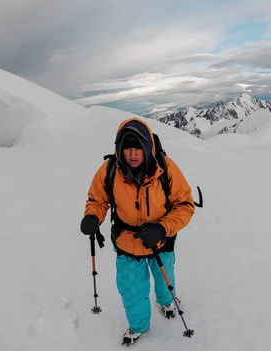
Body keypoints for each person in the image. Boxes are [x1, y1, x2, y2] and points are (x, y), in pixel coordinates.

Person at [80, 117, 195, 345]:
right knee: (131, 290)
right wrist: (92, 216)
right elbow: (98, 199)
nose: (133, 154)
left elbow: (185, 205)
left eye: (138, 148)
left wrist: (162, 228)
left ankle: (166, 302)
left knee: (165, 281)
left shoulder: (165, 167)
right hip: (126, 241)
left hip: (161, 241)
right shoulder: (110, 169)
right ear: (119, 150)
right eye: (127, 149)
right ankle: (139, 326)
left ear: (147, 147)